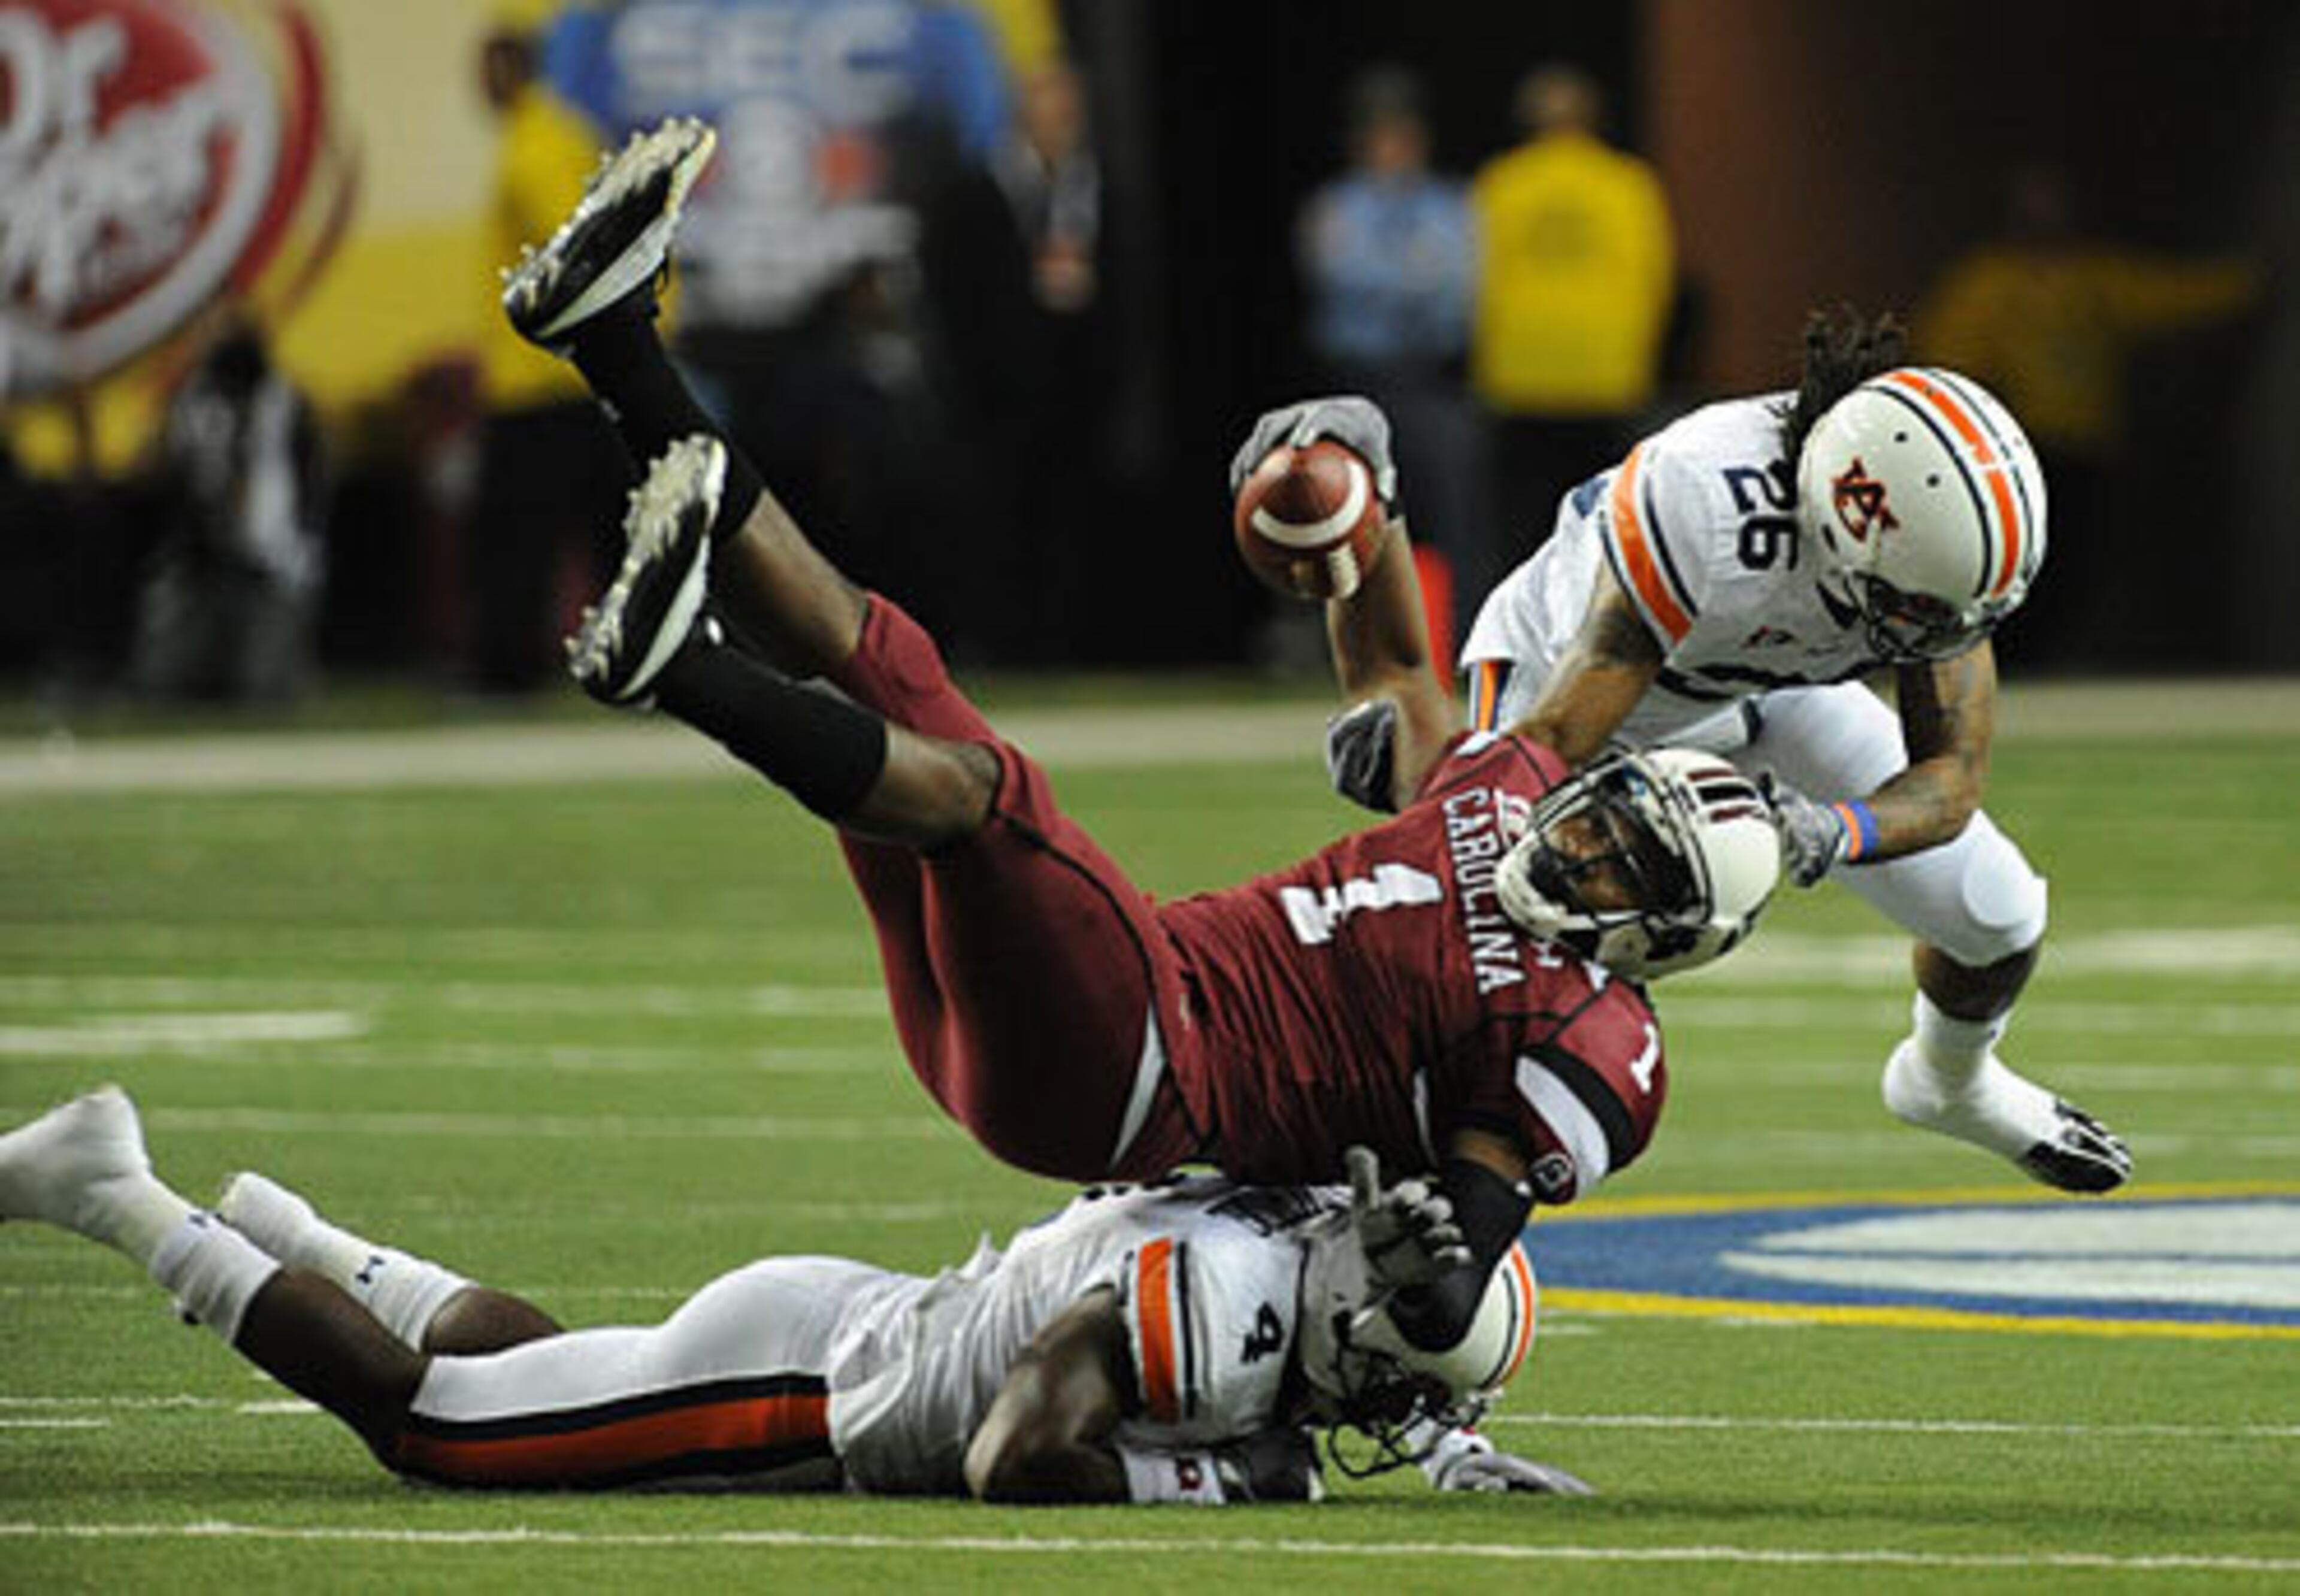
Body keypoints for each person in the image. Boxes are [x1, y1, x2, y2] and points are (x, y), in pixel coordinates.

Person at [500, 119, 1781, 1363]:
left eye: (1629, 864)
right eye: (1617, 812)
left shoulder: (1592, 1039)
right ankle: (615, 342)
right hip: (1084, 1010)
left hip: (1140, 1068)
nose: (1594, 838)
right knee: (889, 665)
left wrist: (1425, 1263)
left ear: (1656, 937)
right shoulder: (1510, 787)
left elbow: (1463, 1268)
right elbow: (1396, 669)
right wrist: (1363, 485)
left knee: (989, 801)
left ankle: (683, 667)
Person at [1306, 306, 2132, 1195]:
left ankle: (1950, 1082)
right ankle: (1368, 1173)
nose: (1944, 635)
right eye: (1923, 609)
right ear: (1845, 517)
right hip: (1574, 693)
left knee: (1997, 914)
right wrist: (1448, 795)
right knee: (1509, 974)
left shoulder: (1921, 553)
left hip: (1758, 690)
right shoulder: (1704, 503)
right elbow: (1553, 741)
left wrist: (1830, 830)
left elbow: (1951, 779)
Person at [0, 1086, 1591, 1501]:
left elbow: (1378, 1330)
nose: (1396, 1406)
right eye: (1405, 1385)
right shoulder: (1230, 1300)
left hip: (835, 1328)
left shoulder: (1309, 1239)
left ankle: (306, 1238)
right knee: (450, 1437)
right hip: (808, 1391)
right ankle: (119, 1195)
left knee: (571, 1384)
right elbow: (1019, 1452)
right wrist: (1238, 1483)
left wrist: (1450, 1436)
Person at [1915, 159, 2264, 667]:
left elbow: (2168, 295)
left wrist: (2249, 283)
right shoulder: (1988, 285)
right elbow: (1948, 360)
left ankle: (2037, 664)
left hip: (2086, 452)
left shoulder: (2094, 278)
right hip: (2021, 453)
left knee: (2076, 567)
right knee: (2013, 566)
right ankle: (2001, 661)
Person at [465, 8, 626, 693]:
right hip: (584, 380)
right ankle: (652, 666)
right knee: (612, 538)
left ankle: (507, 671)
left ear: (508, 69)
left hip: (538, 381)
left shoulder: (534, 144)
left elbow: (570, 250)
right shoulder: (569, 134)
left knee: (514, 540)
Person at [1297, 65, 1488, 643]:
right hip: (1361, 381)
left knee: (1458, 505)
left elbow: (1461, 285)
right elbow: (1341, 274)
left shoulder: (1449, 203)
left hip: (1431, 376)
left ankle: (1465, 637)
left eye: (1403, 134)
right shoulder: (1336, 207)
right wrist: (1413, 277)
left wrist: (1401, 283)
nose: (1394, 148)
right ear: (1362, 143)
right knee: (1342, 515)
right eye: (1381, 135)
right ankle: (1345, 642)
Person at [1468, 64, 1675, 571]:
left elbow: (1473, 280)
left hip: (1520, 378)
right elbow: (1656, 278)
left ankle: (1521, 641)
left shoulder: (1501, 184)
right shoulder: (1628, 184)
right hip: (1605, 377)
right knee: (1603, 527)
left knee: (1523, 532)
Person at [128, 304, 327, 703]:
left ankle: (289, 667)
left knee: (261, 687)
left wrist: (300, 545)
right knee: (161, 682)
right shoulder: (192, 404)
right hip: (200, 567)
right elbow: (156, 469)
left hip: (270, 565)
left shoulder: (286, 403)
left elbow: (315, 482)